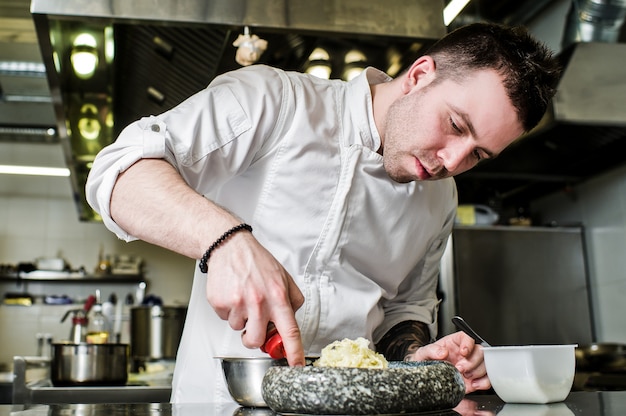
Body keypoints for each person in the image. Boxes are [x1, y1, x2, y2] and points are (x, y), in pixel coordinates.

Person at [86, 22, 560, 403]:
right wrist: (226, 240)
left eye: (478, 155)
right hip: (224, 402)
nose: (452, 162)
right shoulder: (274, 101)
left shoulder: (440, 199)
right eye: (455, 125)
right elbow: (116, 174)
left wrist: (419, 356)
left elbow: (404, 310)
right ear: (419, 75)